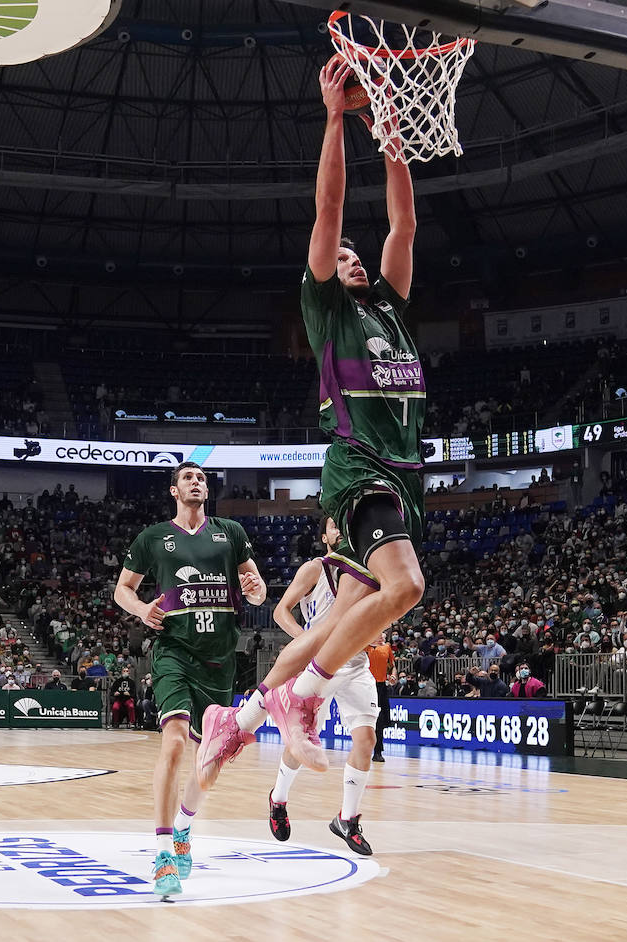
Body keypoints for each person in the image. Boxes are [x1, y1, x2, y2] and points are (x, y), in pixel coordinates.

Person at [198, 55, 425, 786]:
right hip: (360, 463)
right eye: (346, 258)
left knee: (340, 618)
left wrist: (388, 129)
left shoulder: (390, 304)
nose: (355, 260)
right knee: (409, 588)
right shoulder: (326, 308)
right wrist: (335, 119)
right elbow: (330, 213)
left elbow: (405, 221)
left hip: (404, 473)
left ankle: (239, 718)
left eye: (362, 258)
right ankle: (304, 697)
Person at [114, 461, 266, 898]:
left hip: (220, 658)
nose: (196, 483)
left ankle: (184, 828)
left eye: (201, 478)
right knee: (175, 740)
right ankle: (163, 851)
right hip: (173, 650)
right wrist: (142, 609)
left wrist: (256, 591)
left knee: (211, 759)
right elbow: (122, 588)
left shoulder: (230, 533)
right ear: (173, 490)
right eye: (188, 478)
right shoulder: (153, 538)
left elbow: (254, 584)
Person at [266, 518, 380, 856]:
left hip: (356, 662)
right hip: (319, 663)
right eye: (334, 525)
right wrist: (308, 641)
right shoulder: (315, 569)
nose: (341, 530)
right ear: (324, 536)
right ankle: (278, 798)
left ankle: (348, 818)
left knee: (367, 739)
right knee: (302, 740)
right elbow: (280, 611)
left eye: (346, 525)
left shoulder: (365, 572)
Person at [365, 635, 394, 764]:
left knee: (381, 720)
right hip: (366, 685)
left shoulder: (387, 648)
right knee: (368, 719)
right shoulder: (364, 647)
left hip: (381, 686)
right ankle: (364, 748)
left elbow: (392, 666)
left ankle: (378, 751)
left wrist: (393, 675)